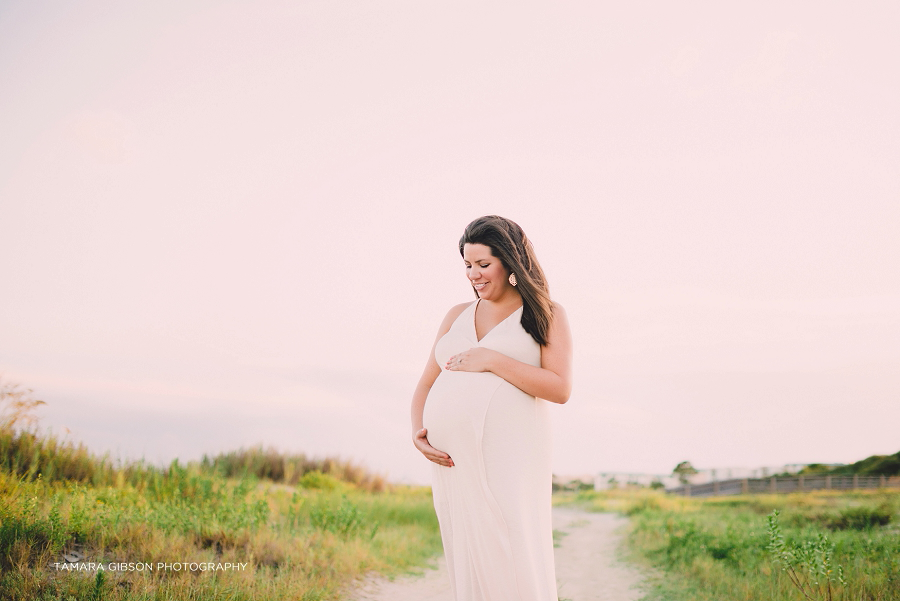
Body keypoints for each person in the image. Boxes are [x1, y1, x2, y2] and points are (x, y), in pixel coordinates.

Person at [410, 215, 573, 601]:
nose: (474, 275)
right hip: (453, 461)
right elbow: (426, 382)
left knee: (510, 544)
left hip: (511, 457)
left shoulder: (546, 314)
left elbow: (560, 388)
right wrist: (417, 431)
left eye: (484, 264)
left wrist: (492, 359)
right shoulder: (456, 315)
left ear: (511, 261)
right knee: (466, 548)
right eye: (468, 265)